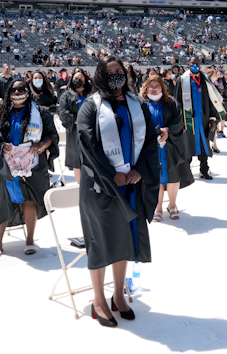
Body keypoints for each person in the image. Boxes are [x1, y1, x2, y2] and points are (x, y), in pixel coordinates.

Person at [76, 55, 160, 327]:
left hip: (131, 184)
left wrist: (138, 171)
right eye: (110, 72)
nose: (116, 76)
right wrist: (113, 176)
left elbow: (149, 140)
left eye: (119, 71)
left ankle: (118, 295)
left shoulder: (138, 104)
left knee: (125, 238)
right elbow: (87, 148)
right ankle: (99, 299)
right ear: (100, 75)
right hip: (101, 186)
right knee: (100, 241)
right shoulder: (90, 107)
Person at [0, 77, 59, 257]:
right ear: (9, 93)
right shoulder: (0, 113)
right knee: (3, 202)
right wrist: (0, 145)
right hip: (7, 165)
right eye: (14, 90)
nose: (17, 93)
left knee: (30, 200)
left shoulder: (40, 112)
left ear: (27, 91)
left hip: (33, 163)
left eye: (22, 89)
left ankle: (30, 240)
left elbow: (51, 135)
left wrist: (42, 146)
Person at [141, 75, 192, 222]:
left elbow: (178, 120)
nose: (154, 89)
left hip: (171, 145)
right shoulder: (141, 104)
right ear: (146, 88)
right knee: (155, 179)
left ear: (162, 87)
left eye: (157, 86)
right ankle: (158, 207)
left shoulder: (171, 103)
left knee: (172, 177)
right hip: (150, 146)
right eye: (151, 86)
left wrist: (167, 130)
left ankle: (172, 205)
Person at [173, 55, 225, 181]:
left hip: (203, 119)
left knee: (203, 145)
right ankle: (186, 172)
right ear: (188, 65)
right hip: (188, 120)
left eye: (197, 63)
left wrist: (213, 117)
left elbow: (211, 100)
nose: (195, 66)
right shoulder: (182, 80)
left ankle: (204, 170)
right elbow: (177, 103)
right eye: (192, 64)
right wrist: (180, 122)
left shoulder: (205, 79)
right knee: (187, 146)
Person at [57, 68, 92, 184]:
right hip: (75, 131)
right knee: (77, 158)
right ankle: (80, 184)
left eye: (80, 78)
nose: (78, 80)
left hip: (91, 130)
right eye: (75, 78)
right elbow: (63, 114)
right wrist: (81, 120)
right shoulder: (66, 95)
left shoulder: (92, 94)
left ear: (85, 80)